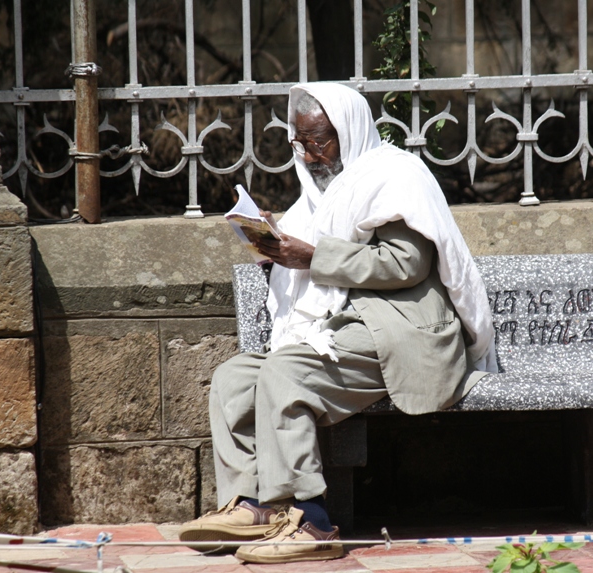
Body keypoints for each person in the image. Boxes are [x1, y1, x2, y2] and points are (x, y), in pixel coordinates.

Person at [178, 82, 497, 564]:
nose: (308, 155)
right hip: (339, 327)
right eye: (299, 142)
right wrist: (276, 249)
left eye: (319, 141)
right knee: (233, 379)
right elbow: (314, 263)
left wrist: (310, 257)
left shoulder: (392, 176)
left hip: (401, 328)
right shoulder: (321, 193)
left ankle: (311, 521)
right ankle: (253, 506)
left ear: (348, 131)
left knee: (287, 373)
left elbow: (406, 263)